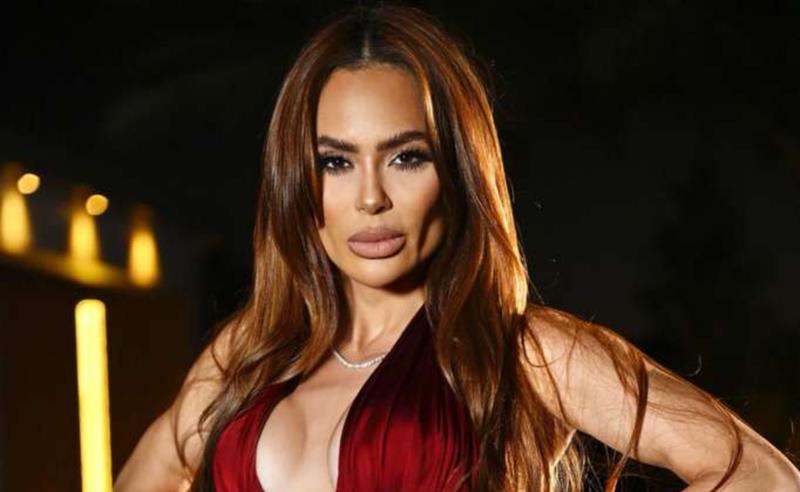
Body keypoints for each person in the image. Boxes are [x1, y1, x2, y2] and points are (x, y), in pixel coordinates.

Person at [114, 4, 800, 491]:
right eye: (335, 162)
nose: (371, 197)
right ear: (297, 181)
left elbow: (763, 476)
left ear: (458, 171)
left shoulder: (526, 353)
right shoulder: (250, 354)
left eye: (406, 157)